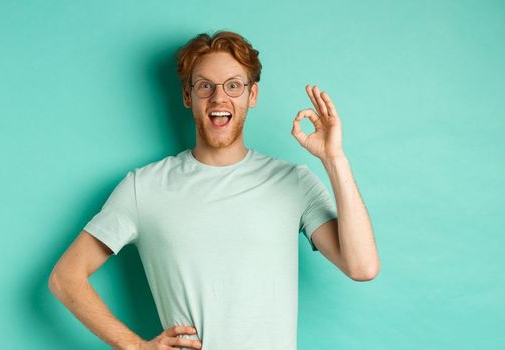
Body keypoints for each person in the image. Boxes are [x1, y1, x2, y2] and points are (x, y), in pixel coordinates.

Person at [48, 30, 379, 350]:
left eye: (233, 85)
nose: (219, 98)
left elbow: (362, 267)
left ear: (252, 95)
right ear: (188, 95)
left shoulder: (293, 181)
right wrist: (134, 346)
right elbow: (66, 278)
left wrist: (334, 158)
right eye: (205, 86)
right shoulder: (144, 187)